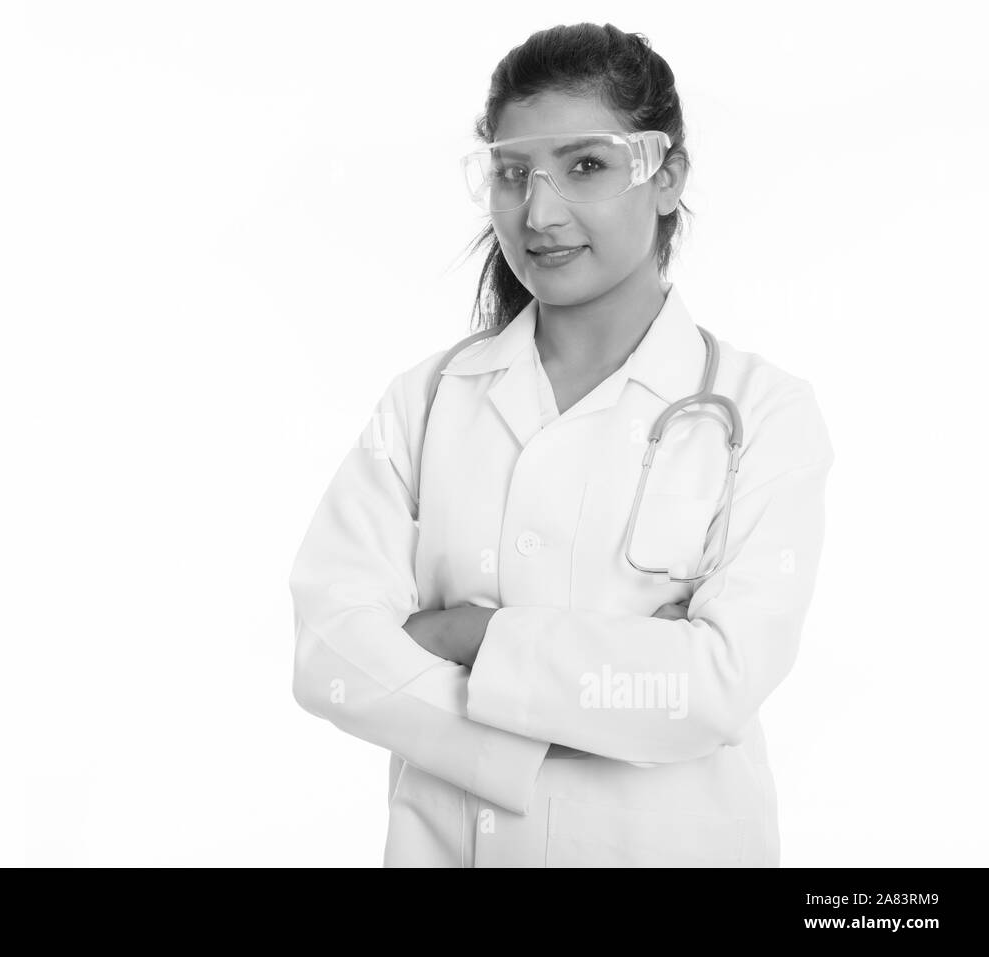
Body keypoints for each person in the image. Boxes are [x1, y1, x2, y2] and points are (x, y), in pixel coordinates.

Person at [288, 22, 834, 867]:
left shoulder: (763, 413)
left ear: (666, 176)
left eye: (586, 165)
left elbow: (714, 686)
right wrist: (554, 729)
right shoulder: (428, 402)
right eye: (512, 174)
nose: (538, 213)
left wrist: (469, 634)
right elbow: (331, 650)